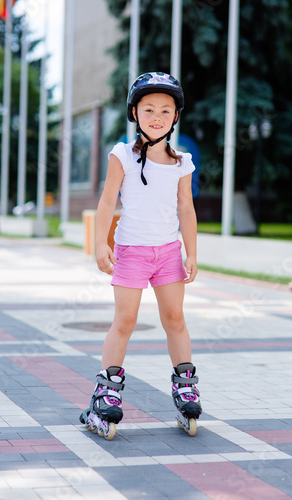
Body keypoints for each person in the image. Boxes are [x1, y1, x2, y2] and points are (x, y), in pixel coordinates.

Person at [80, 72, 202, 440]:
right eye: (148, 108)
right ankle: (106, 392)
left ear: (175, 117)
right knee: (125, 320)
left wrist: (191, 253)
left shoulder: (182, 161)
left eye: (166, 110)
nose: (157, 116)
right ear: (135, 112)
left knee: (175, 318)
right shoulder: (122, 155)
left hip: (168, 252)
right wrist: (102, 243)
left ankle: (185, 386)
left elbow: (186, 210)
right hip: (131, 250)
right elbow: (106, 201)